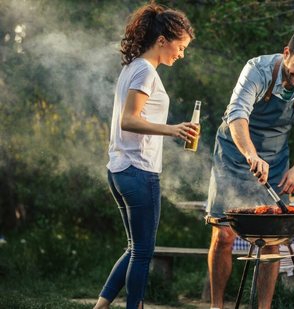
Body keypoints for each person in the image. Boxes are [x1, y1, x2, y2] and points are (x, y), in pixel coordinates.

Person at [205, 30, 294, 309]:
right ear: (286, 53)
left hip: (275, 158)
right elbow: (237, 116)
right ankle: (216, 305)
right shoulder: (256, 69)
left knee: (273, 236)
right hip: (234, 154)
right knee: (223, 234)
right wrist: (250, 154)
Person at [93, 3, 196, 309]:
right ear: (162, 40)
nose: (181, 54)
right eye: (180, 47)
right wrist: (173, 129)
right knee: (143, 251)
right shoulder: (145, 71)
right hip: (138, 170)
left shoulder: (133, 67)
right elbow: (129, 119)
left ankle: (99, 307)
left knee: (134, 247)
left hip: (120, 169)